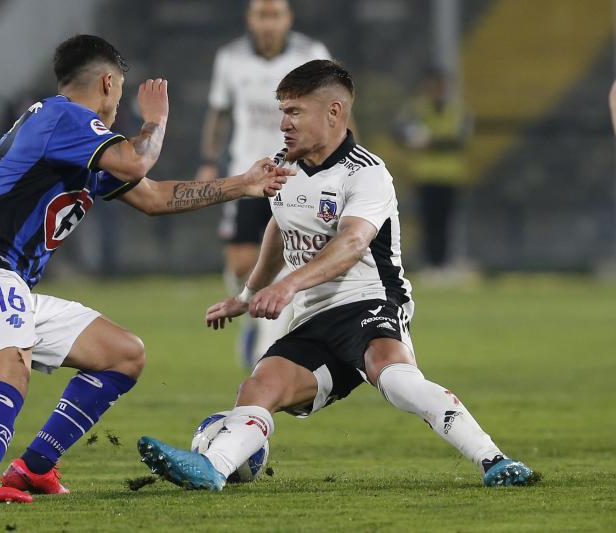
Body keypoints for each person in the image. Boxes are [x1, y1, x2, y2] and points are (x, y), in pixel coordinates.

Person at [138, 60, 538, 491]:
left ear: (333, 113)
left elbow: (351, 244)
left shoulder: (367, 173)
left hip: (370, 301)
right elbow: (280, 225)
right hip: (313, 316)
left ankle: (494, 460)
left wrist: (287, 284)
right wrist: (248, 293)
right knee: (260, 385)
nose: (283, 123)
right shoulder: (282, 165)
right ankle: (211, 469)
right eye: (282, 111)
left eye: (295, 112)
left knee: (392, 374)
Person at [0, 34, 292, 504]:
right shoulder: (63, 117)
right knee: (8, 371)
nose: (119, 105)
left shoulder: (75, 141)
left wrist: (243, 184)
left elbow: (155, 198)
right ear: (107, 82)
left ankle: (34, 469)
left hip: (8, 280)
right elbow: (139, 160)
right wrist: (156, 120)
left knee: (122, 353)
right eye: (119, 92)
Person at [196, 0, 342, 368]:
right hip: (248, 176)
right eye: (262, 15)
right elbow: (219, 112)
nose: (269, 23)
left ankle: (276, 335)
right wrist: (209, 161)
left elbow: (335, 109)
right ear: (251, 19)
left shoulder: (312, 54)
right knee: (242, 262)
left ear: (288, 19)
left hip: (298, 175)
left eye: (276, 15)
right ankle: (254, 314)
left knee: (297, 253)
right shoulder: (230, 59)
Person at [396, 67, 472, 276]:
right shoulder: (416, 109)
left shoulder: (458, 110)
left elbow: (461, 139)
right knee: (429, 222)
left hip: (450, 175)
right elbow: (400, 133)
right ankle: (431, 264)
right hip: (425, 175)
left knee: (446, 222)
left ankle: (444, 263)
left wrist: (430, 142)